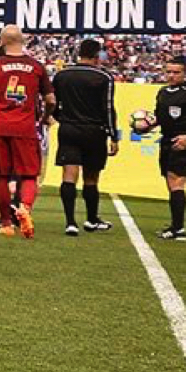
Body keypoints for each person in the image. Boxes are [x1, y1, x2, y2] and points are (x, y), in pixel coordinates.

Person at [0, 25, 54, 239]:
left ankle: (6, 223)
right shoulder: (37, 67)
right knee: (30, 174)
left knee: (2, 175)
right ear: (23, 40)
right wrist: (44, 117)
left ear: (2, 41)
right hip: (25, 127)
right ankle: (25, 207)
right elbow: (51, 100)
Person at [131, 56, 186, 241]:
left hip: (183, 141)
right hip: (166, 140)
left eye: (176, 72)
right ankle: (176, 226)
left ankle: (178, 229)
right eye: (168, 72)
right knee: (171, 182)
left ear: (184, 73)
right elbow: (160, 117)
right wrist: (147, 126)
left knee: (176, 182)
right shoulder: (163, 92)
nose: (171, 75)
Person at [51, 38, 118, 235]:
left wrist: (60, 118)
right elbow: (108, 108)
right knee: (91, 177)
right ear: (97, 56)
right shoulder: (103, 77)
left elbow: (53, 102)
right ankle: (91, 219)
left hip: (69, 129)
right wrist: (113, 135)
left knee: (69, 175)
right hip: (94, 131)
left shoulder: (62, 75)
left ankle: (70, 222)